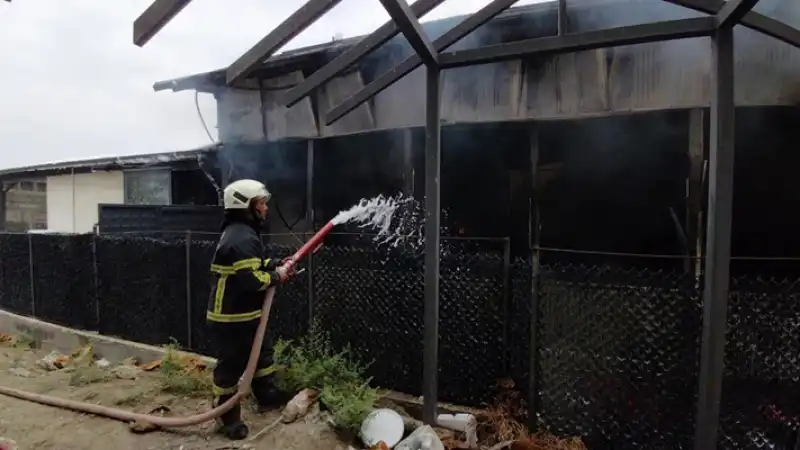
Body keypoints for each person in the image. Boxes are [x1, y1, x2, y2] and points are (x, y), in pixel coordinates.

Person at [206, 179, 296, 440]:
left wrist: (275, 264)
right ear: (246, 206)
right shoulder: (240, 237)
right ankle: (227, 417)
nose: (265, 208)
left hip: (245, 312)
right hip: (230, 316)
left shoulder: (243, 233)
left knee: (261, 355)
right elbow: (251, 279)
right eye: (261, 203)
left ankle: (266, 395)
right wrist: (278, 275)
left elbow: (254, 264)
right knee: (231, 367)